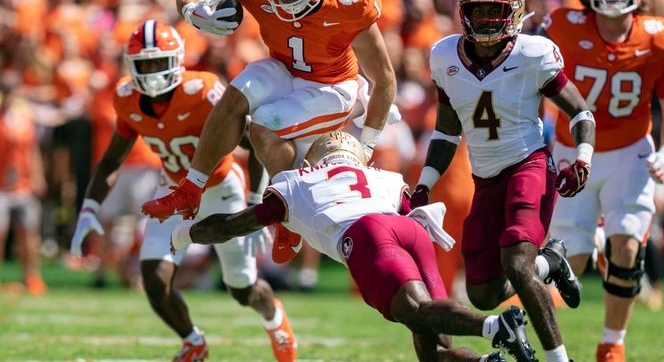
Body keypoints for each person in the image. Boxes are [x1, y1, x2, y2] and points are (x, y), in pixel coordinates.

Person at [171, 131, 526, 362]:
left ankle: (495, 326)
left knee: (417, 312)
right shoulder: (385, 177)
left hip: (368, 234)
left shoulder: (299, 182)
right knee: (433, 349)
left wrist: (186, 233)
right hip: (410, 230)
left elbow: (234, 225)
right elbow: (407, 212)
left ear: (314, 161)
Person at [141, 0, 398, 246]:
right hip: (284, 68)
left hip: (332, 86)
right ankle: (190, 189)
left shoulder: (349, 0)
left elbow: (383, 78)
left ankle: (290, 215)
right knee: (237, 92)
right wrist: (194, 13)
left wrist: (368, 145)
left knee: (265, 124)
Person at [69, 20, 297, 362]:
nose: (152, 71)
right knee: (154, 278)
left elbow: (255, 144)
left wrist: (255, 200)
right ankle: (193, 341)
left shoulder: (204, 90)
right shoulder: (127, 97)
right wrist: (88, 208)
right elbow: (112, 160)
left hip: (222, 190)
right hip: (173, 191)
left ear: (177, 60)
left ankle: (274, 318)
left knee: (241, 288)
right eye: (144, 64)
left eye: (159, 62)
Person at [410, 0, 596, 362]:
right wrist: (425, 181)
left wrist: (582, 157)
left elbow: (580, 112)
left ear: (514, 14)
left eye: (493, 11)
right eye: (477, 12)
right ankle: (552, 262)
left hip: (528, 165)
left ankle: (560, 359)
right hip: (485, 179)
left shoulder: (533, 54)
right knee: (482, 292)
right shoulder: (445, 56)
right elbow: (446, 133)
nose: (484, 21)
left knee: (516, 262)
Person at [540, 0, 664, 362]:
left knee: (628, 247)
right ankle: (594, 247)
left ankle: (612, 343)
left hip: (629, 153)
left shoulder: (659, 36)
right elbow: (530, 76)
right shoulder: (562, 26)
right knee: (573, 261)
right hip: (574, 152)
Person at [0, 70, 47, 296]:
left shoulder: (23, 116)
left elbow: (32, 148)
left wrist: (38, 175)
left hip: (23, 183)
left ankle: (31, 277)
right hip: (1, 186)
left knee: (28, 233)